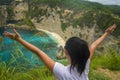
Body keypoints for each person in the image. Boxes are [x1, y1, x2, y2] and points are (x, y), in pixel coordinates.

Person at [4, 24, 116, 80]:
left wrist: (19, 39)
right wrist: (106, 33)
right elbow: (94, 45)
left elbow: (38, 51)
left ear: (66, 52)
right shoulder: (85, 64)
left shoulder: (62, 72)